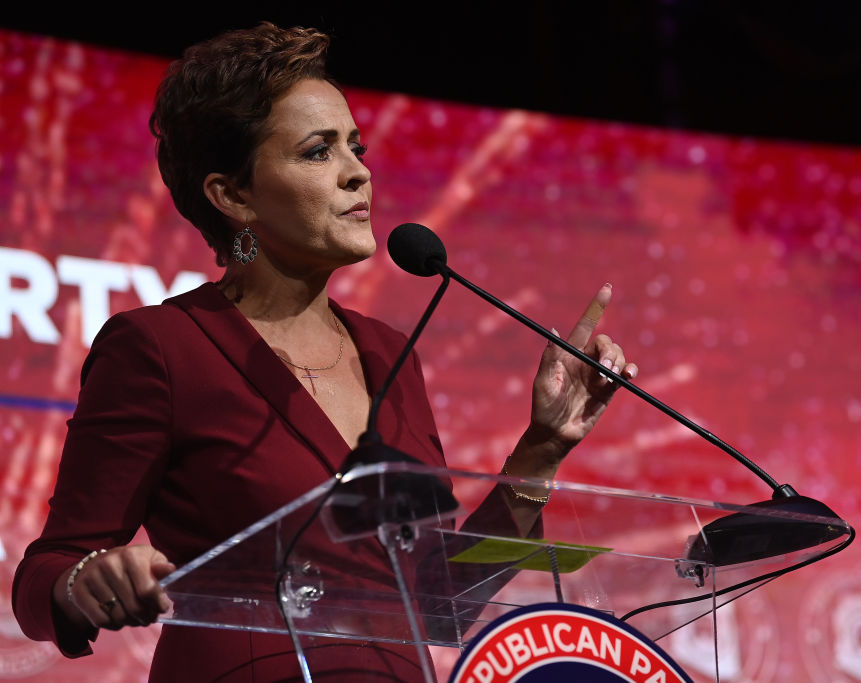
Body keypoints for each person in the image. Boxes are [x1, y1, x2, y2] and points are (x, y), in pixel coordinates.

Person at [12, 22, 638, 681]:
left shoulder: (391, 354)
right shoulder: (161, 348)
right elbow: (44, 575)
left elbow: (438, 605)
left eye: (355, 148)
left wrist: (541, 450)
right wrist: (87, 580)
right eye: (318, 152)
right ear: (233, 195)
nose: (358, 172)